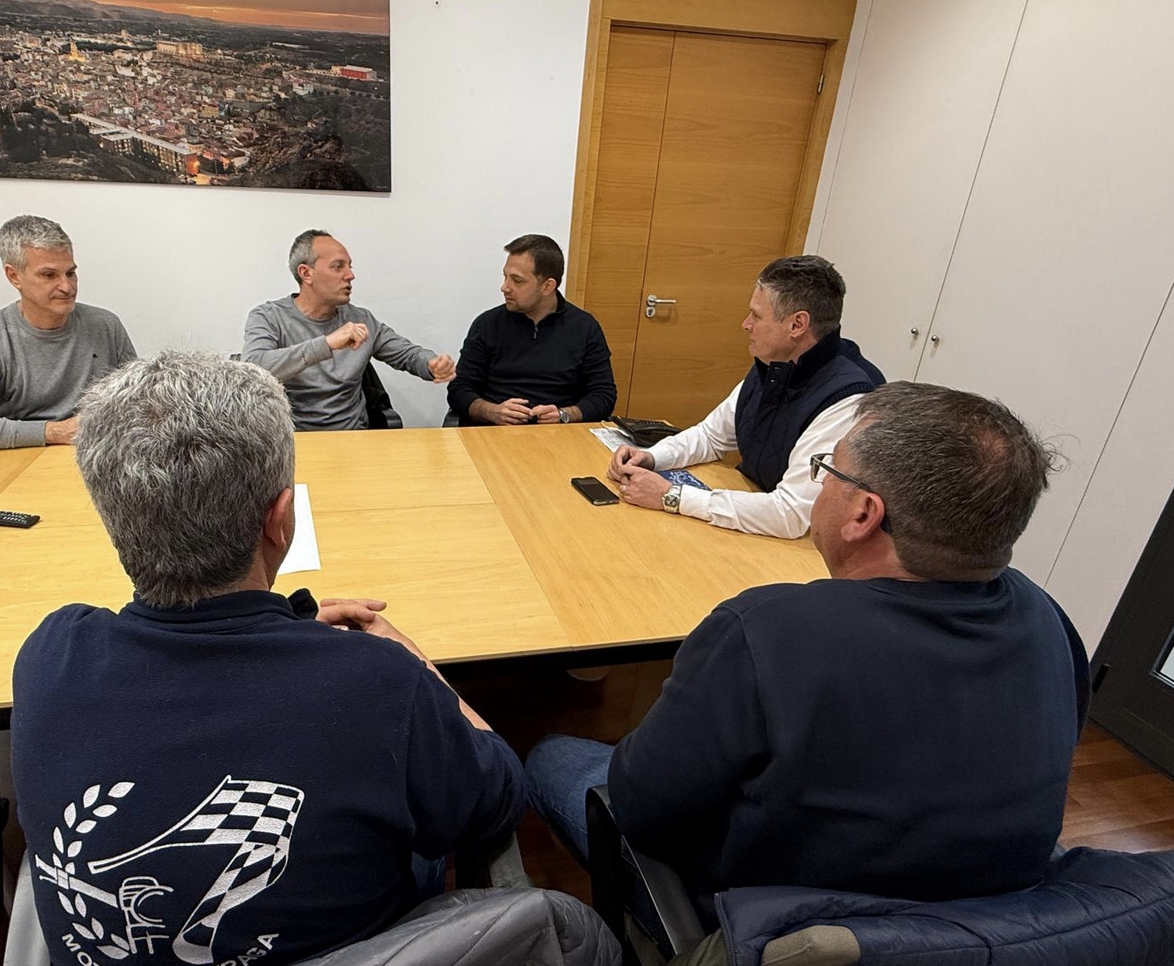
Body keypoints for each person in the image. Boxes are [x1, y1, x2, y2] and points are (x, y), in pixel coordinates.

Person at [11, 351, 525, 965]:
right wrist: (412, 664)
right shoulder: (381, 684)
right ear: (280, 520)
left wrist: (294, 637)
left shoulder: (52, 651)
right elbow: (496, 801)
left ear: (113, 515)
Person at [527, 382, 1090, 923]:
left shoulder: (765, 631)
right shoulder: (1051, 621)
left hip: (771, 923)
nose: (817, 488)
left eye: (826, 472)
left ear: (863, 514)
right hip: (984, 924)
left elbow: (641, 808)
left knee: (551, 755)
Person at [608, 255, 882, 538]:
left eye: (757, 315)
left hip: (805, 548)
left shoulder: (847, 397)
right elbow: (712, 436)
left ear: (797, 325)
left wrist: (671, 496)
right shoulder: (774, 364)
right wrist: (652, 457)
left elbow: (790, 515)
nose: (745, 324)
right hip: (755, 520)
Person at [0, 215, 136, 450]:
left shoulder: (105, 325)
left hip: (93, 461)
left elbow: (137, 402)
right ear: (14, 276)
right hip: (16, 464)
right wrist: (55, 432)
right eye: (49, 275)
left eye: (70, 273)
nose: (67, 287)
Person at [244, 230, 456, 431]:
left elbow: (407, 354)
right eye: (338, 267)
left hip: (353, 438)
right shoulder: (268, 316)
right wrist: (327, 344)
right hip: (293, 442)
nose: (350, 275)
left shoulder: (360, 319)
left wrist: (431, 364)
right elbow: (253, 368)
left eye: (350, 266)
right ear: (306, 273)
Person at [447, 234, 616, 426]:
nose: (505, 287)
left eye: (517, 281)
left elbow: (604, 395)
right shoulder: (487, 324)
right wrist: (491, 411)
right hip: (494, 431)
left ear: (547, 286)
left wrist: (564, 414)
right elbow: (459, 390)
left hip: (557, 434)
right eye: (505, 277)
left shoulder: (585, 327)